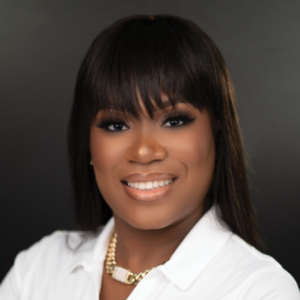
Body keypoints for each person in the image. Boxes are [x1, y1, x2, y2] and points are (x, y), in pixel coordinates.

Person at [0, 14, 299, 300]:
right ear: (88, 145)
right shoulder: (37, 269)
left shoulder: (260, 291)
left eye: (174, 121)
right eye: (116, 125)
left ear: (218, 133)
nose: (143, 151)